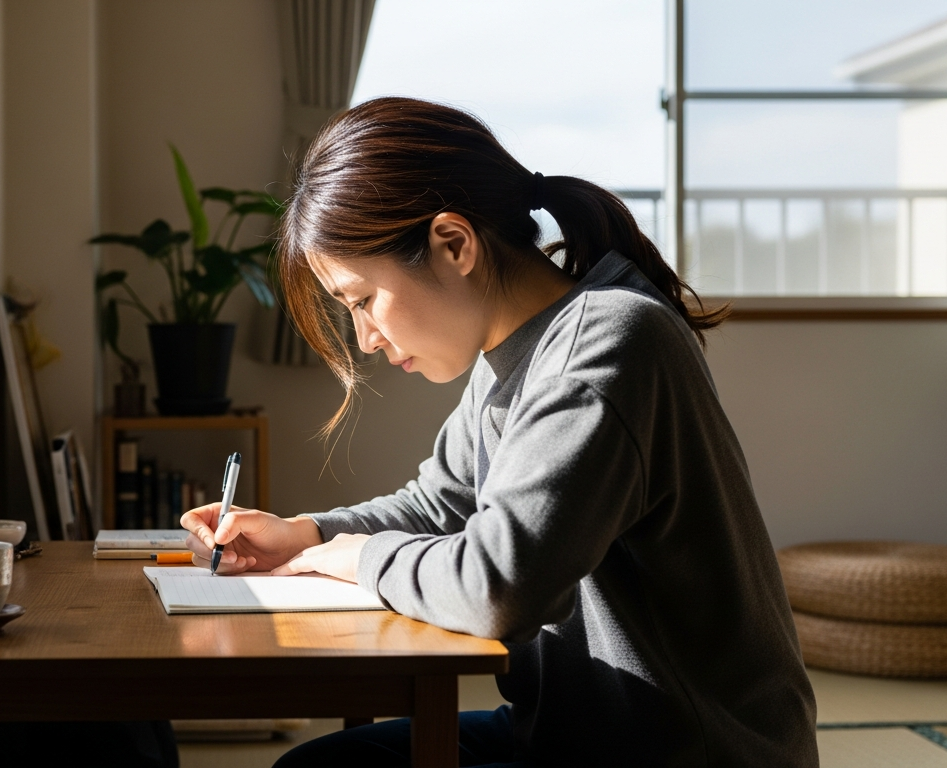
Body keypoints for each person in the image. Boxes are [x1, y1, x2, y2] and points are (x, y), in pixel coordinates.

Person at [181, 97, 818, 767]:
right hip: (572, 728)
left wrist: (359, 559)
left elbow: (497, 588)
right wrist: (306, 534)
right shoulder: (514, 353)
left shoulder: (604, 347)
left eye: (362, 300)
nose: (365, 339)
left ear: (454, 244)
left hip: (687, 750)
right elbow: (439, 505)